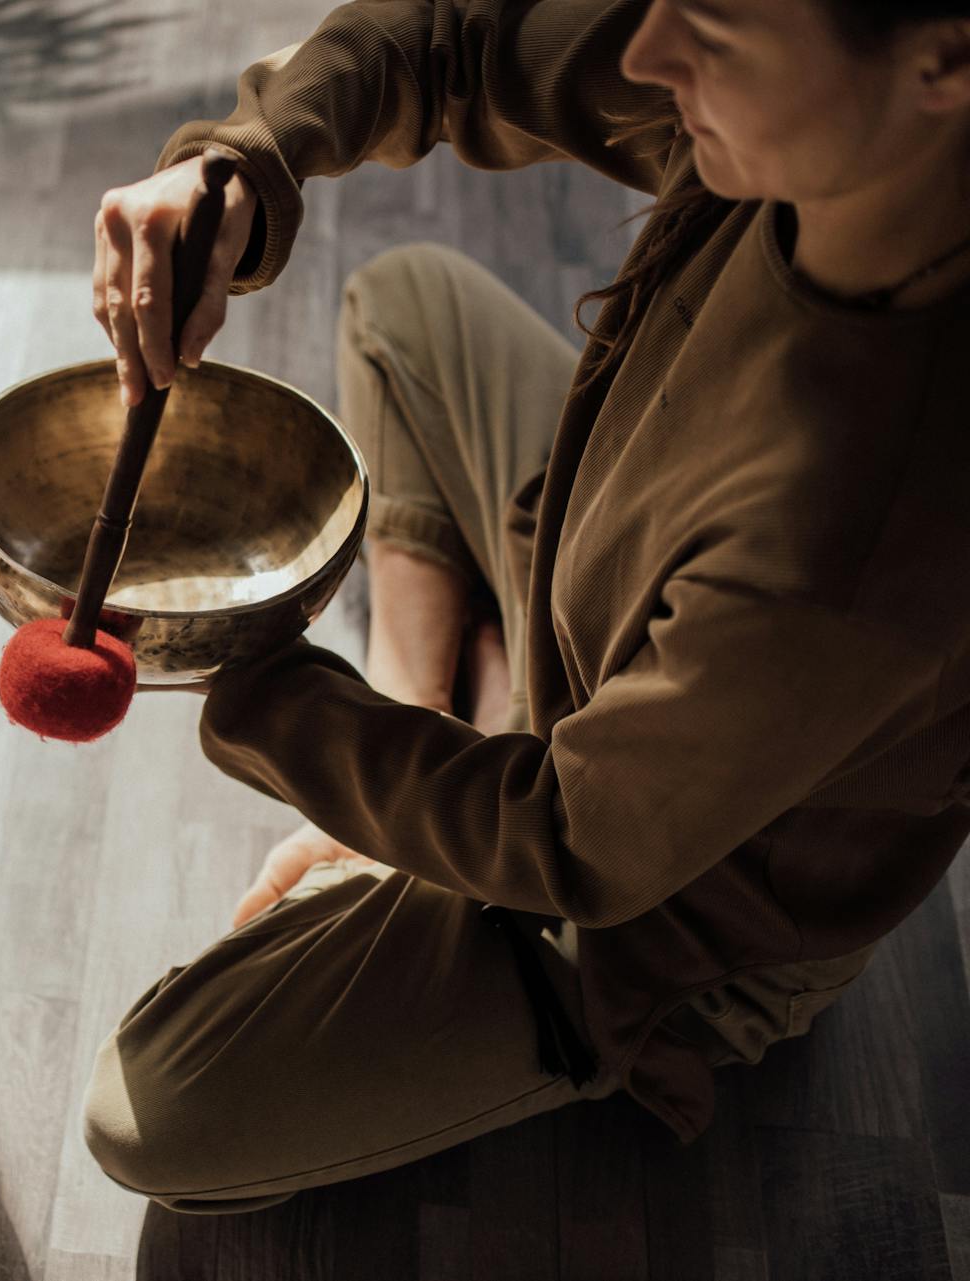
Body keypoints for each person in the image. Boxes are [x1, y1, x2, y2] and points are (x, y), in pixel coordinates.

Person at [81, 0, 970, 1211]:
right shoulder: (842, 137)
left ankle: (456, 773)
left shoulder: (866, 531)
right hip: (602, 619)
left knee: (150, 1115)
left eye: (709, 28)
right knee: (405, 307)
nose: (648, 53)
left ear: (947, 59)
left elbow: (572, 845)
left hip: (665, 911)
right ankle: (443, 734)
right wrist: (242, 157)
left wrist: (256, 682)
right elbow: (458, 34)